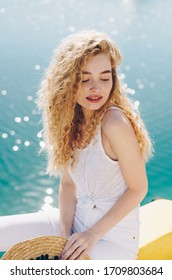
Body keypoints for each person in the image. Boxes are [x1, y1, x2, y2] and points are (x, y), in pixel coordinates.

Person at [0, 30, 153, 260]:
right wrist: (62, 234)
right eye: (84, 79)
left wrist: (91, 234)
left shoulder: (114, 122)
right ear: (68, 82)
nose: (96, 88)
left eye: (104, 77)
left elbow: (138, 189)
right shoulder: (70, 123)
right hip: (75, 223)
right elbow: (68, 186)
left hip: (112, 238)